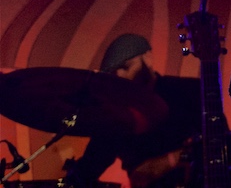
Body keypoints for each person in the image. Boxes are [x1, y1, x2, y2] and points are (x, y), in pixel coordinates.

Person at [64, 34, 202, 188]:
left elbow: (221, 145)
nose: (120, 76)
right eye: (113, 73)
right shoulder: (116, 112)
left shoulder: (189, 91)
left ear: (148, 58)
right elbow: (90, 166)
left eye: (125, 67)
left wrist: (171, 160)